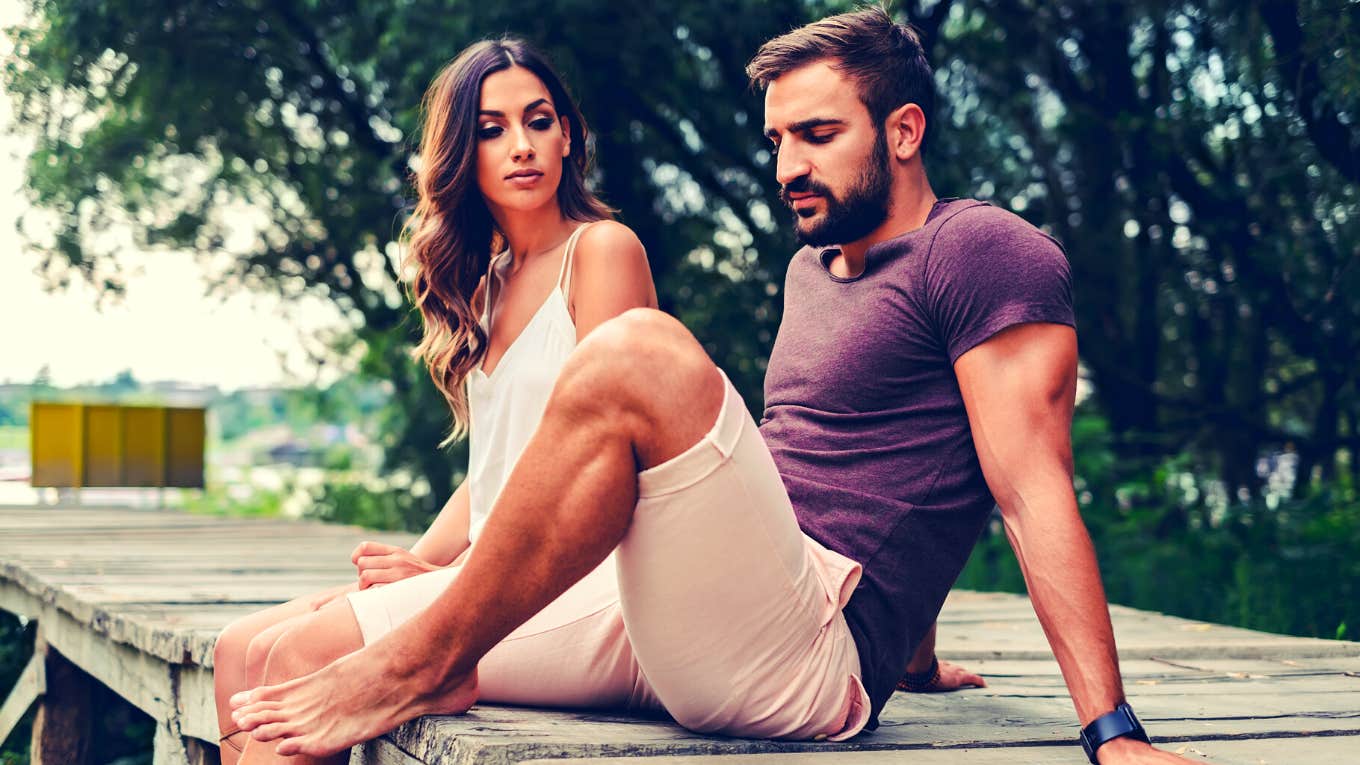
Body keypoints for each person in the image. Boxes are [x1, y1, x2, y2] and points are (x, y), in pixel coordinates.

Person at [228, 9, 1195, 764]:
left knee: (639, 350)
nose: (788, 167)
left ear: (905, 130)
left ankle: (424, 662)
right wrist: (919, 651)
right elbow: (883, 460)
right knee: (278, 660)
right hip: (705, 610)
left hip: (808, 652)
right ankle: (418, 658)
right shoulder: (816, 269)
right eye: (777, 141)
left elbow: (1027, 487)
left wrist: (1110, 727)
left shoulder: (981, 250)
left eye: (816, 134)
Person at [210, 37, 662, 764]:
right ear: (462, 153)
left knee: (295, 654)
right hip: (489, 579)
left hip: (579, 588)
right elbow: (500, 465)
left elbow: (594, 470)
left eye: (538, 121)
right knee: (238, 651)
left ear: (568, 134)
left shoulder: (603, 252)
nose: (521, 146)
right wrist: (413, 565)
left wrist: (456, 579)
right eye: (492, 130)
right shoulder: (485, 285)